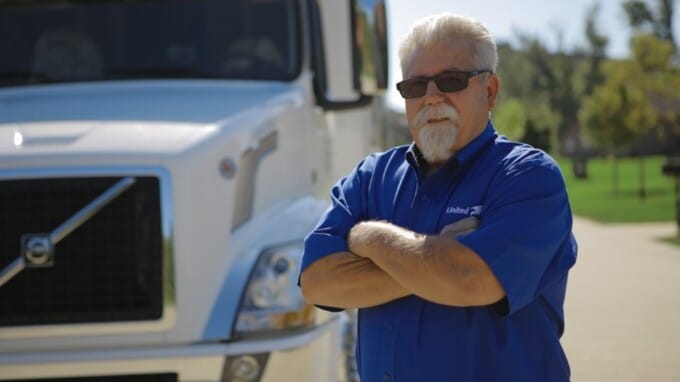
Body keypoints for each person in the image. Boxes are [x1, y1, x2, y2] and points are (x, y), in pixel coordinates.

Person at [299, 12, 577, 382]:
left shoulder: (527, 176)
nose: (431, 98)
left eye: (450, 80)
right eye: (415, 86)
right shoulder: (371, 176)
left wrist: (368, 238)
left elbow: (470, 281)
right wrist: (433, 262)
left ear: (490, 91)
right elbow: (318, 282)